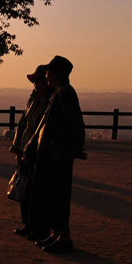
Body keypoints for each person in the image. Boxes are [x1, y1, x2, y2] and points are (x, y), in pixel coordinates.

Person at [24, 55, 85, 253]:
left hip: (57, 156)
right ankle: (57, 234)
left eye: (48, 72)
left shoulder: (66, 93)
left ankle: (64, 238)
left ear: (57, 74)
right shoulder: (59, 92)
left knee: (59, 196)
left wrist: (72, 148)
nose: (46, 75)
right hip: (51, 154)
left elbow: (75, 123)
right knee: (52, 196)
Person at [10, 64, 52, 237]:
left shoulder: (50, 102)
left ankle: (39, 228)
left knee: (37, 192)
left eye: (38, 81)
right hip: (27, 150)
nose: (35, 85)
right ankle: (28, 225)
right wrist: (17, 147)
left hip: (40, 152)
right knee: (26, 190)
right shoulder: (33, 100)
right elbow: (22, 124)